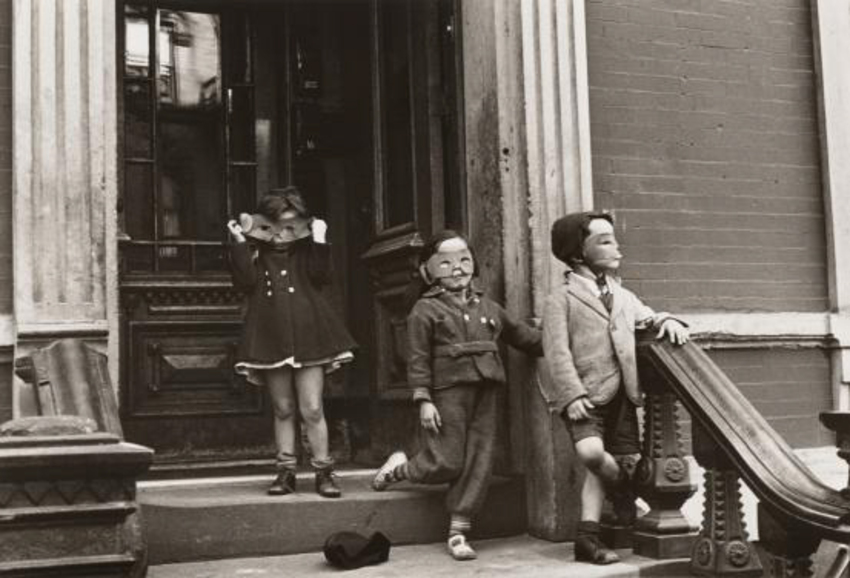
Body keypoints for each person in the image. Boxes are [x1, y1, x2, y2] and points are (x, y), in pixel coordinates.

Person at [371, 230, 542, 561]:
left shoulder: (489, 307)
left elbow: (523, 337)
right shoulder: (425, 310)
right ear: (430, 270)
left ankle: (458, 530)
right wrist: (423, 399)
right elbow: (417, 358)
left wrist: (563, 339)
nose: (457, 268)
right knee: (448, 459)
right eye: (445, 262)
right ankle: (402, 469)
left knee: (479, 459)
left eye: (463, 259)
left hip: (487, 389)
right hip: (448, 392)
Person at [539, 211, 689, 564]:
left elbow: (645, 316)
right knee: (592, 454)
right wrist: (571, 395)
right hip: (584, 396)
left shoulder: (622, 294)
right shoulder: (560, 297)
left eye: (613, 238)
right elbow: (556, 351)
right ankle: (623, 490)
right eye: (604, 240)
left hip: (622, 394)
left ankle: (586, 539)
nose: (616, 246)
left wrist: (666, 319)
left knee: (606, 464)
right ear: (578, 254)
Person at [227, 186, 357, 498]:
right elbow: (245, 282)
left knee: (312, 407)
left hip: (310, 335)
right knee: (283, 407)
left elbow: (321, 276)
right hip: (271, 336)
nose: (284, 232)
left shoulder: (307, 249)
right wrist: (240, 242)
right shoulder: (257, 251)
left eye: (291, 223)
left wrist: (320, 239)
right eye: (277, 223)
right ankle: (285, 472)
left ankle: (323, 471)